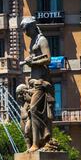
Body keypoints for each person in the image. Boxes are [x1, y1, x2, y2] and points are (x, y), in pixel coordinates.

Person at [20, 17, 54, 152]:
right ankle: (39, 139)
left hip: (41, 83)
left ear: (33, 26)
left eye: (26, 29)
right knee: (30, 112)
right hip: (33, 83)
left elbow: (48, 58)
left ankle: (36, 143)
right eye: (24, 30)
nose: (25, 32)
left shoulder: (42, 40)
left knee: (34, 109)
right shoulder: (33, 41)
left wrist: (32, 62)